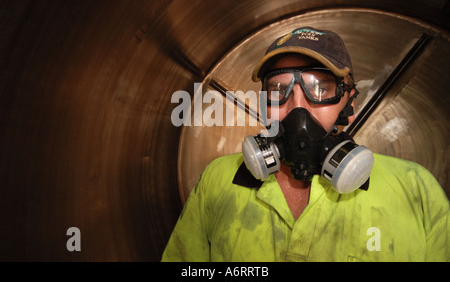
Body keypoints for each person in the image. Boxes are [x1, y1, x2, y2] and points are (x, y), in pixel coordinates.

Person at [161, 26, 449, 262]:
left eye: (320, 88)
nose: (297, 107)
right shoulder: (218, 180)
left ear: (347, 98)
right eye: (278, 88)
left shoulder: (415, 189)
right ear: (264, 101)